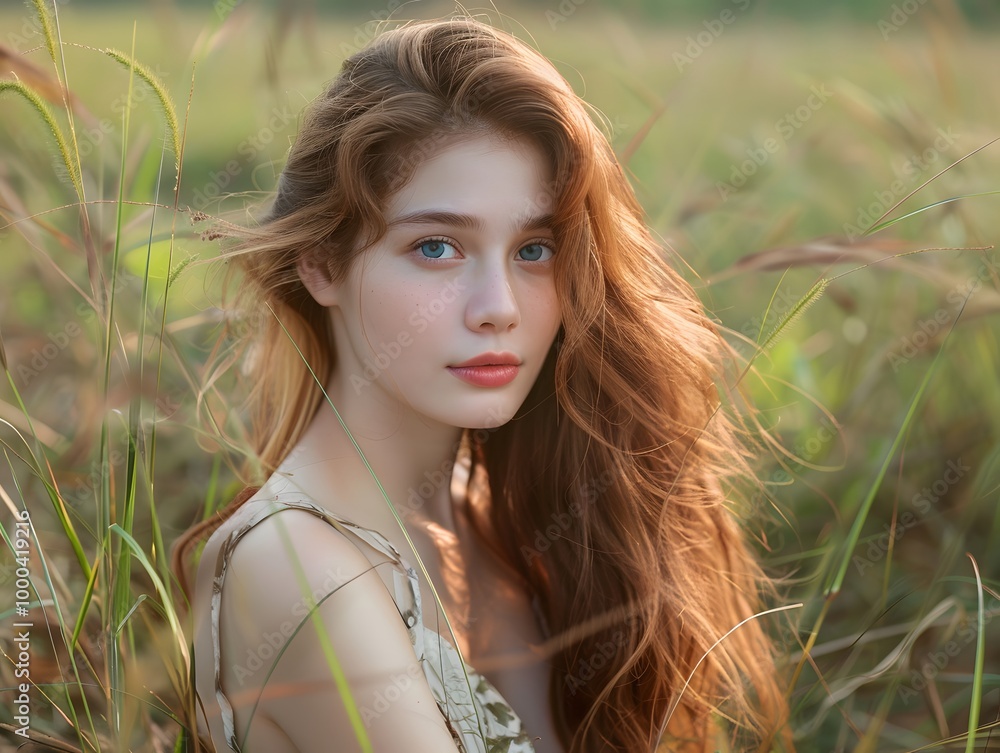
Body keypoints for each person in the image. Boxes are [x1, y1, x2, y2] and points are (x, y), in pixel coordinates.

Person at [172, 15, 791, 753]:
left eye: (534, 248)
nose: (498, 306)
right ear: (322, 263)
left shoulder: (488, 512)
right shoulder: (299, 573)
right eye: (436, 247)